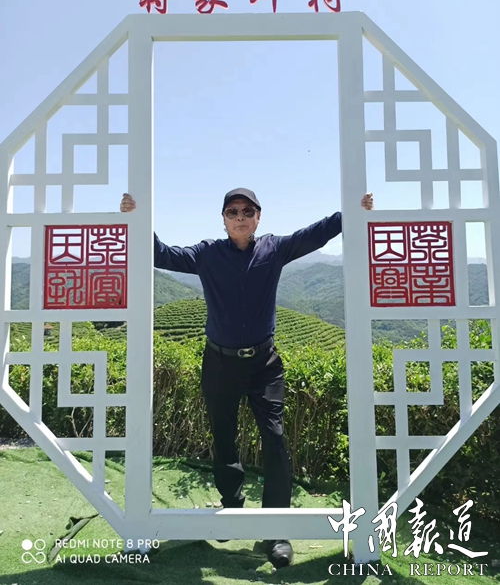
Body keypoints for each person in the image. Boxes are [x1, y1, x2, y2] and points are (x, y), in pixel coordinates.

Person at [120, 188, 374, 569]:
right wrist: (135, 218)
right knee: (223, 437)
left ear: (258, 216)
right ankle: (232, 507)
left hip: (264, 364)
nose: (240, 217)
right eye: (232, 211)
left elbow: (315, 234)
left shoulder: (274, 249)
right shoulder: (206, 254)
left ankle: (277, 532)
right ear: (223, 219)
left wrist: (351, 211)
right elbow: (162, 254)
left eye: (247, 211)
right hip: (219, 363)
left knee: (275, 439)